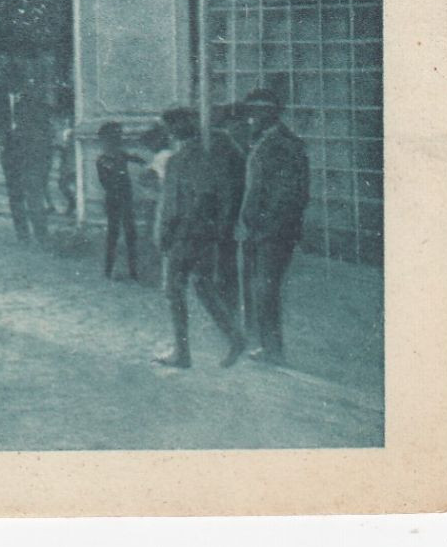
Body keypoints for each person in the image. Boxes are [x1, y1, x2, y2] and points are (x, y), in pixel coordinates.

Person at [154, 108, 246, 369]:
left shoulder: (178, 160)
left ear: (172, 130)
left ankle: (182, 352)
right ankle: (235, 337)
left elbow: (171, 205)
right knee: (203, 285)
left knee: (173, 288)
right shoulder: (214, 151)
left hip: (183, 232)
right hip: (207, 231)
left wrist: (164, 235)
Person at [237, 89, 311, 365]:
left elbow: (291, 194)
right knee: (261, 289)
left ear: (271, 113)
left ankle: (273, 350)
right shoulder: (264, 141)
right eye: (250, 112)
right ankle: (268, 346)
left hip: (273, 232)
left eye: (257, 112)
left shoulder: (284, 145)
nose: (251, 118)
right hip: (260, 230)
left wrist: (267, 226)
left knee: (266, 290)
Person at [0, 62, 52, 243]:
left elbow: (43, 126)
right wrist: (4, 141)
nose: (7, 83)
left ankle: (41, 234)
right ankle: (22, 234)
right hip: (9, 152)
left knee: (34, 193)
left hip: (30, 152)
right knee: (14, 194)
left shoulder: (35, 99)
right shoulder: (0, 100)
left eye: (9, 79)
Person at [96, 122, 146, 280]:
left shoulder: (120, 155)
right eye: (114, 136)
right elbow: (106, 182)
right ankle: (109, 270)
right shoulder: (103, 159)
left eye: (118, 136)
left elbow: (139, 160)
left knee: (130, 234)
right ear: (105, 139)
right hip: (115, 199)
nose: (117, 139)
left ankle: (132, 271)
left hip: (125, 198)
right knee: (114, 234)